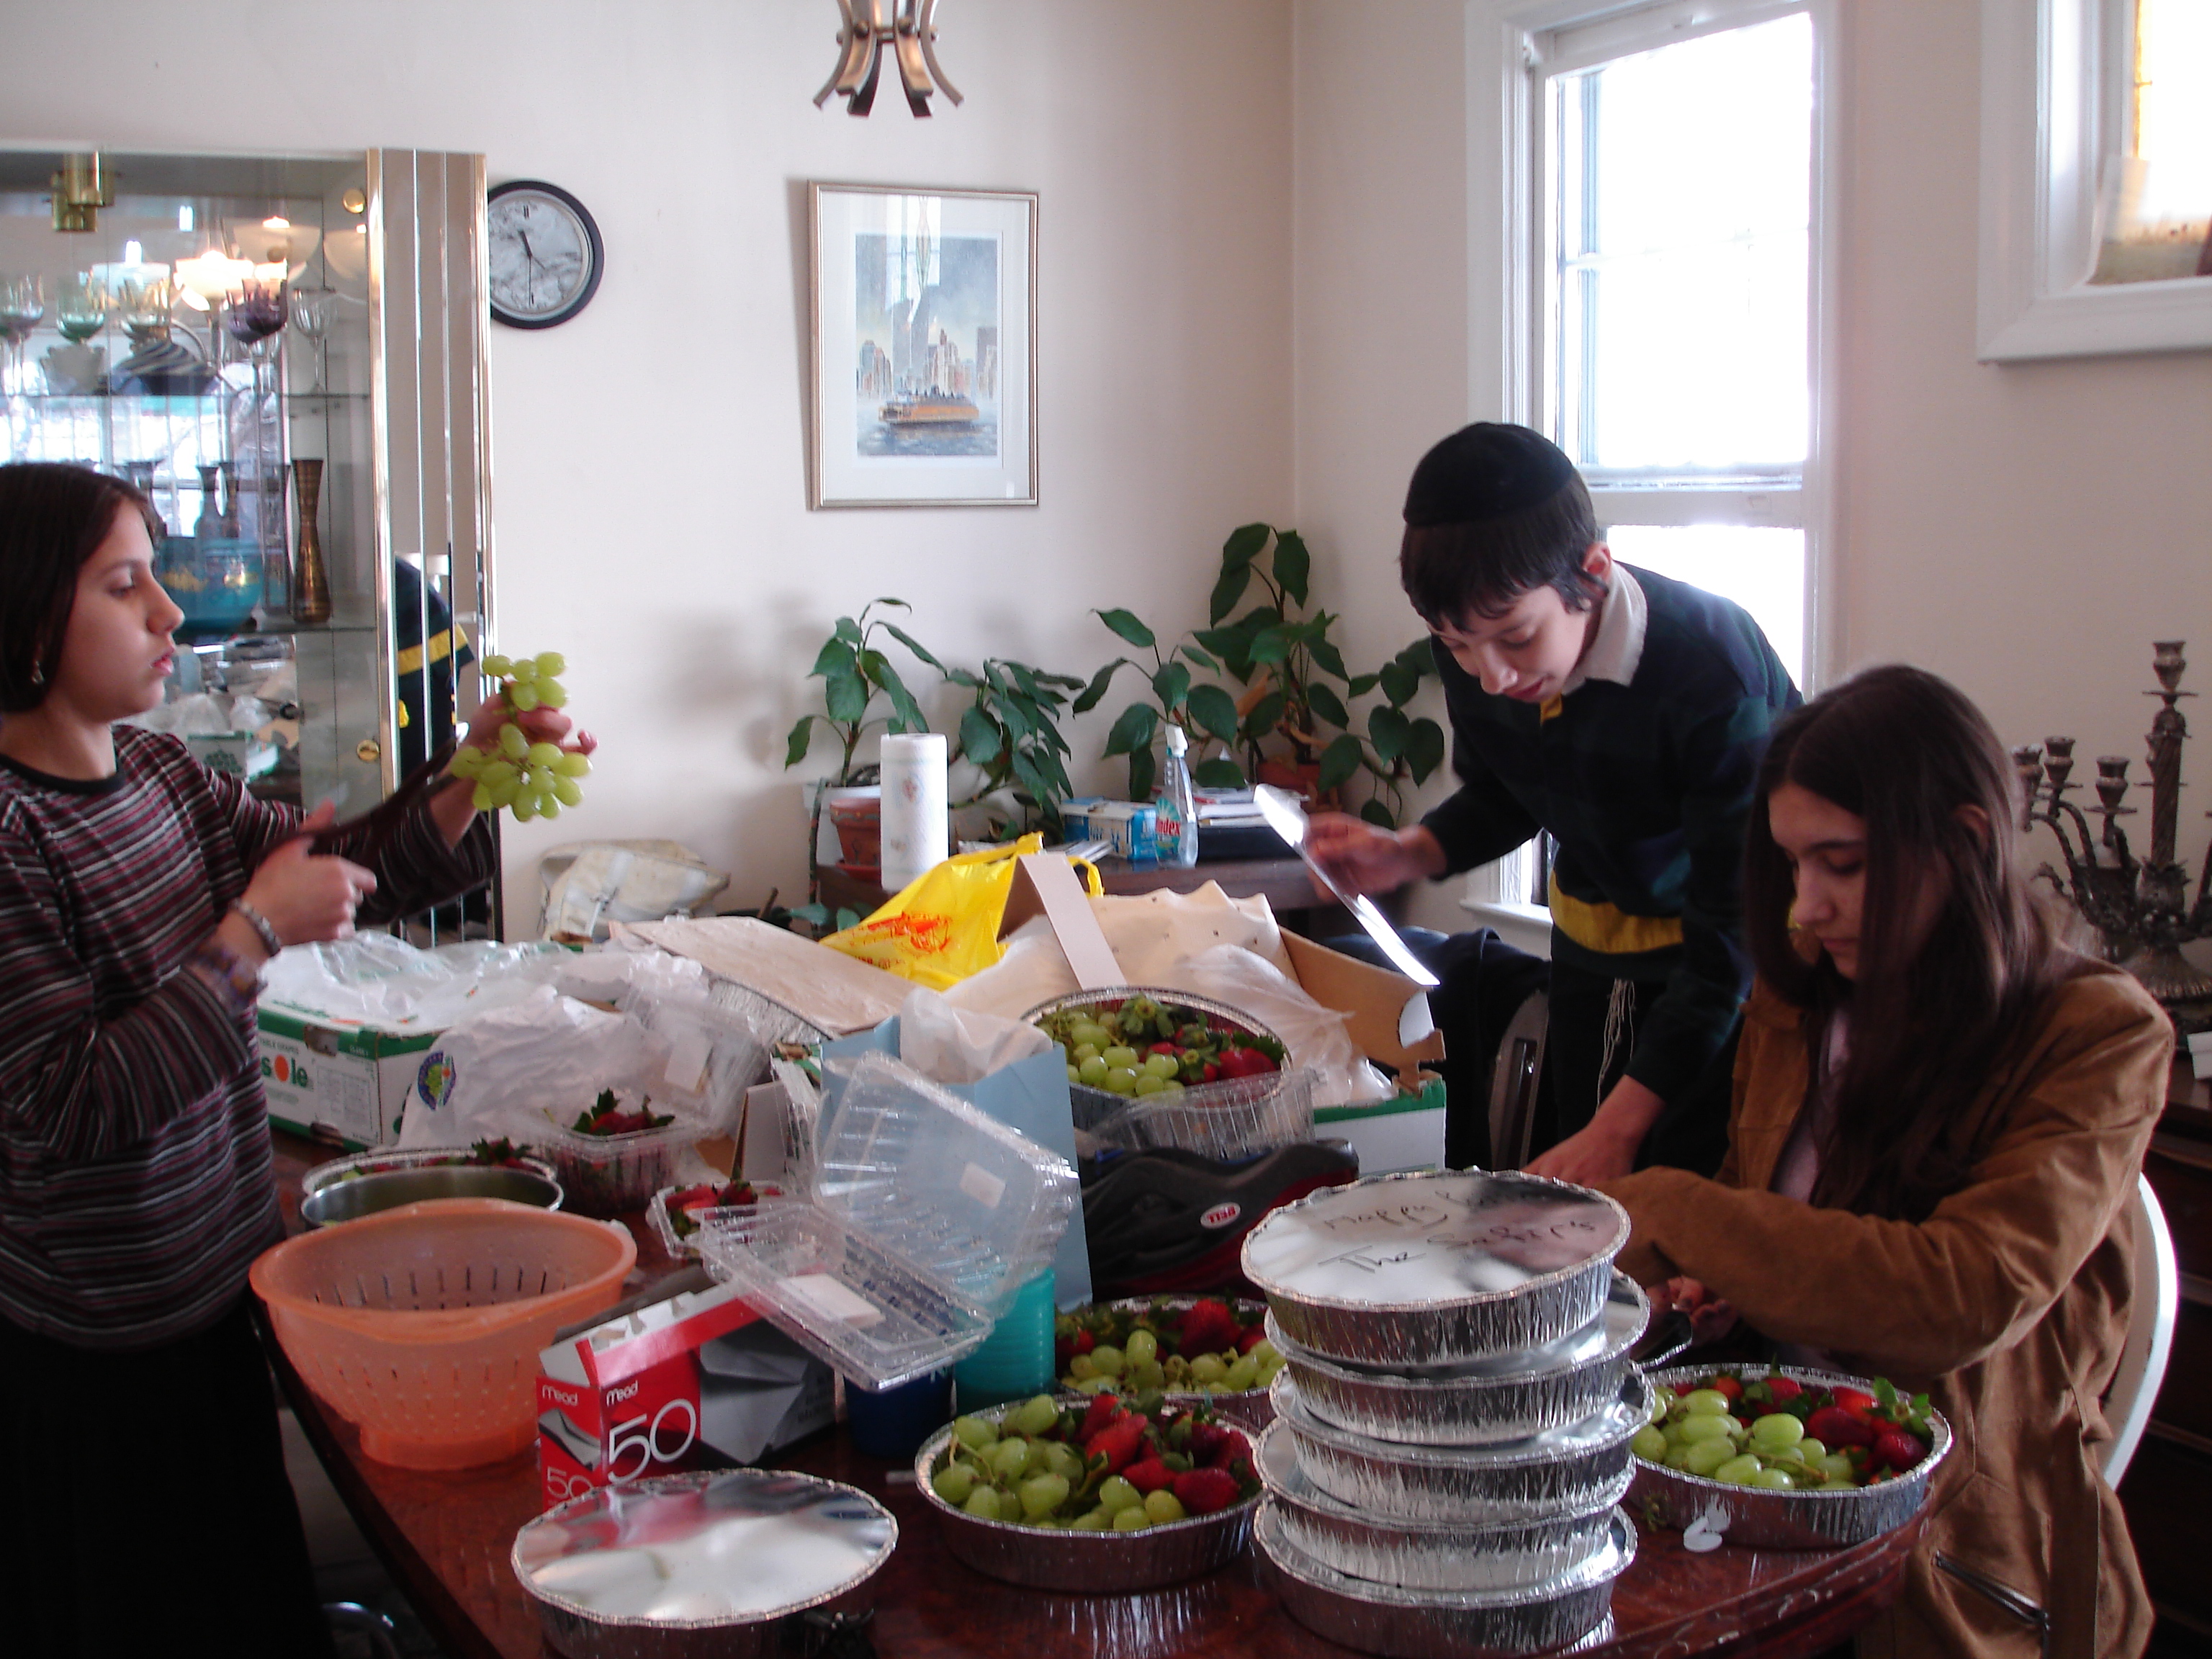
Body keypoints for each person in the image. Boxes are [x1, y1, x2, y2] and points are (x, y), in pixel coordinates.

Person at [0, 462, 593, 1656]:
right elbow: (67, 1102)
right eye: (126, 585)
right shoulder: (14, 835)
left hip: (219, 1290)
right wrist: (251, 932)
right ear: (22, 621)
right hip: (103, 1361)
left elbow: (351, 871)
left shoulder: (160, 774)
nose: (172, 611)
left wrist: (468, 773)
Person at [1601, 665, 2166, 1658]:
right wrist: (1708, 1278)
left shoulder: (2096, 1035)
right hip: (1765, 1482)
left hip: (1955, 1551)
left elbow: (1962, 1298)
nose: (1807, 907)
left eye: (1845, 865)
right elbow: (1767, 1219)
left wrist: (1673, 1212)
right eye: (1791, 866)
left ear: (1968, 840)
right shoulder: (1803, 996)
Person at [1308, 421, 1798, 1181]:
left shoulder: (1710, 669)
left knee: (1684, 1184)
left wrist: (1622, 1125)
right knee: (1589, 1178)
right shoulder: (1478, 635)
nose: (1491, 676)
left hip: (1736, 961)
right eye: (1459, 646)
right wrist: (1409, 851)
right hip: (1593, 945)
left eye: (1516, 639)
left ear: (1593, 573)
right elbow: (1510, 791)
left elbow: (1732, 937)